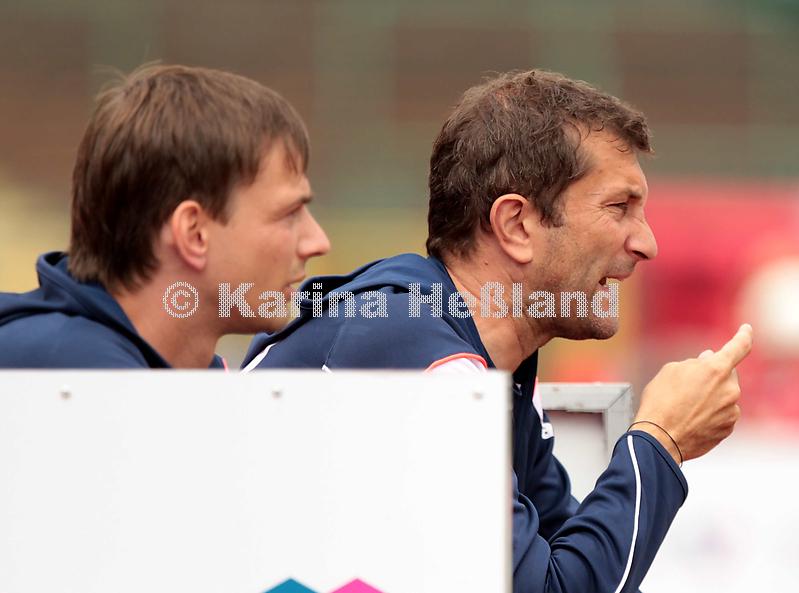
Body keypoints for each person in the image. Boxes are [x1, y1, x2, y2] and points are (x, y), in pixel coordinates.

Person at [242, 70, 752, 592]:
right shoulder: (409, 343)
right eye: (618, 208)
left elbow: (570, 562)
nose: (647, 243)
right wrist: (660, 441)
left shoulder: (489, 365)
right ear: (515, 226)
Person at [0, 64, 330, 368]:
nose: (318, 242)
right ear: (193, 233)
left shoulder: (137, 375)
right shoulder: (66, 381)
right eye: (289, 214)